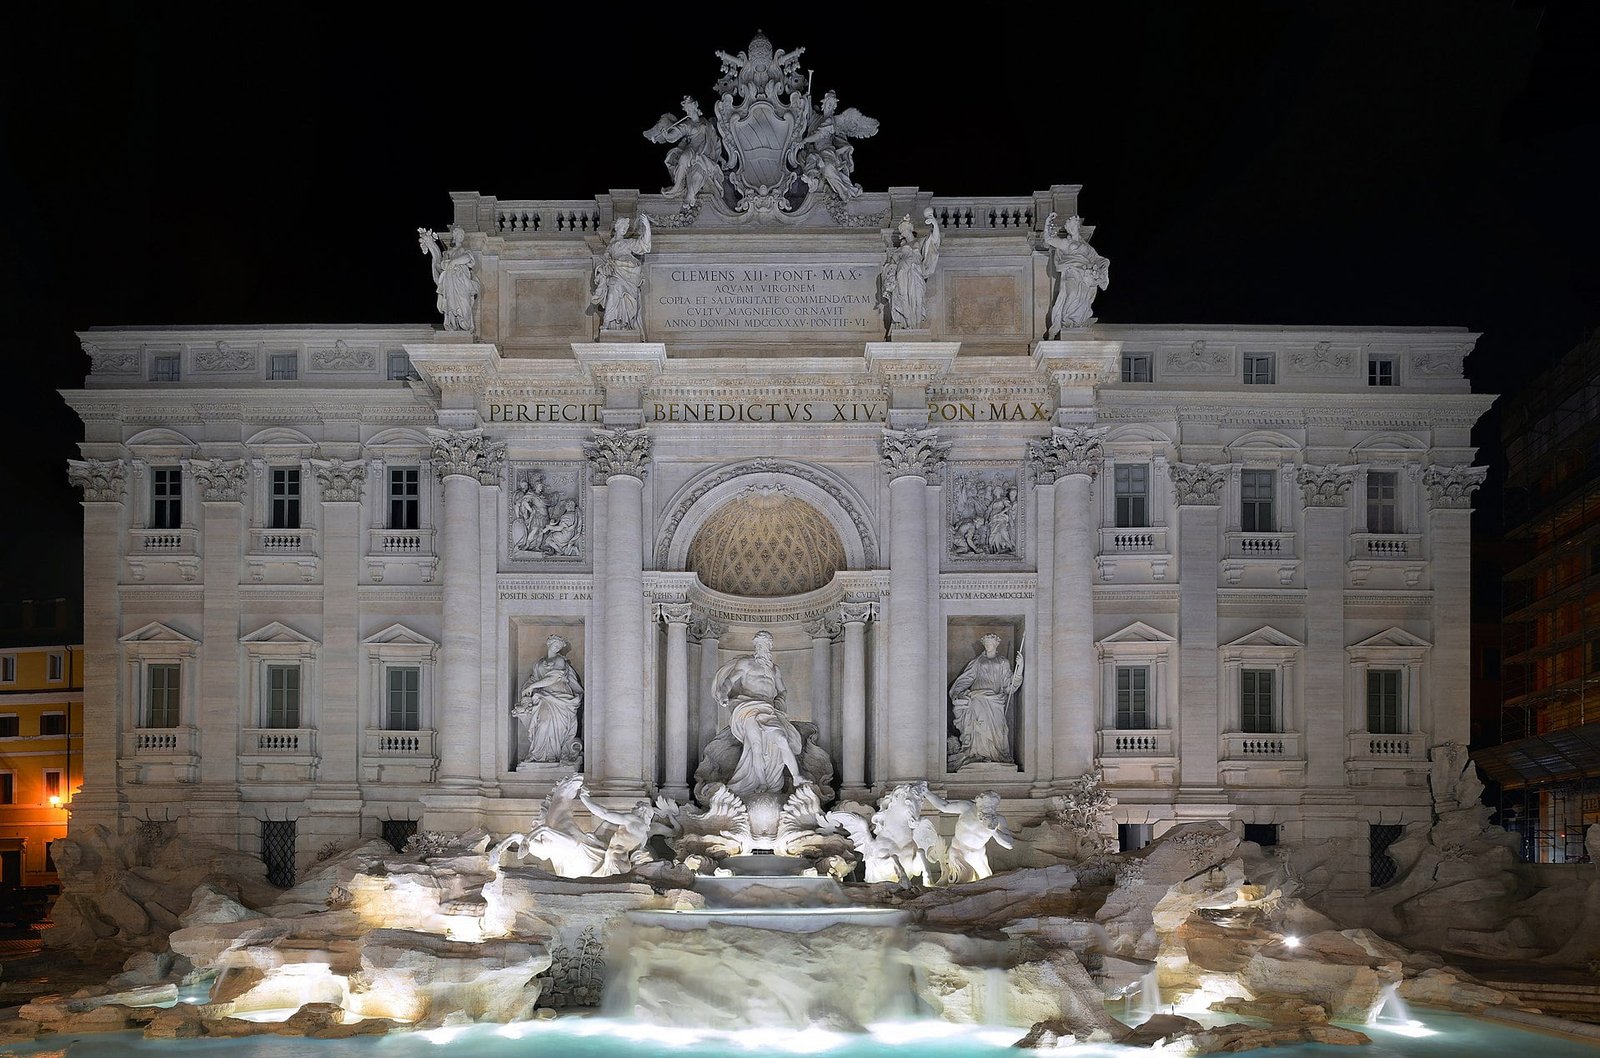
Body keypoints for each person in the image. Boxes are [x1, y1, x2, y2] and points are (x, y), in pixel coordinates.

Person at [711, 629, 804, 796]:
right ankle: (761, 782)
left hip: (768, 709)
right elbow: (729, 681)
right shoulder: (746, 664)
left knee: (782, 739)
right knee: (756, 745)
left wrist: (779, 702)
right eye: (760, 644)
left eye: (766, 644)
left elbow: (782, 690)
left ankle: (796, 777)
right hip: (747, 708)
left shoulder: (775, 669)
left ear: (770, 646)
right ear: (755, 645)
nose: (763, 647)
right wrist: (724, 694)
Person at [948, 634, 1024, 767]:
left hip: (995, 701)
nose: (988, 645)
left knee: (998, 730)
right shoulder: (978, 661)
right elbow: (966, 678)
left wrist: (1020, 668)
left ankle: (995, 755)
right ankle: (977, 754)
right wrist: (956, 692)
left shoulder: (1003, 662)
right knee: (978, 727)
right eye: (986, 643)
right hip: (977, 698)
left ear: (996, 644)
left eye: (991, 643)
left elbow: (1009, 686)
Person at [513, 635, 583, 764]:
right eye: (555, 645)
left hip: (560, 697)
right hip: (543, 697)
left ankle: (553, 756)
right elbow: (533, 679)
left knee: (556, 728)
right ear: (549, 644)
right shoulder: (539, 663)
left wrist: (532, 686)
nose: (557, 648)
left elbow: (554, 678)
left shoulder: (560, 661)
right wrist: (527, 690)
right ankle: (537, 755)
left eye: (559, 646)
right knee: (542, 724)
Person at [645, 97, 725, 208]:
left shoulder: (706, 123)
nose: (688, 111)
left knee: (697, 168)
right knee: (683, 157)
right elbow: (677, 132)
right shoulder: (687, 124)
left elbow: (714, 140)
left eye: (690, 107)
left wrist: (719, 156)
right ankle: (677, 186)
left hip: (704, 152)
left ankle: (690, 196)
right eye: (687, 109)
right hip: (692, 149)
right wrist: (666, 135)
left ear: (695, 105)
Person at [1041, 212, 1109, 337]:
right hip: (1072, 271)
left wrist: (1099, 269)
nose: (1071, 228)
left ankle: (1076, 323)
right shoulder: (1067, 243)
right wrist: (1048, 224)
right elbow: (1049, 239)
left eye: (1073, 225)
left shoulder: (1087, 247)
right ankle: (1067, 322)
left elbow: (1097, 259)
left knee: (1083, 299)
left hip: (1086, 276)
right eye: (1069, 226)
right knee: (1071, 294)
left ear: (1077, 226)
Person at [926, 790, 1014, 883]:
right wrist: (926, 792)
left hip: (977, 855)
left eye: (991, 808)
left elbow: (1009, 845)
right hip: (957, 851)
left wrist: (993, 831)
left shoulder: (998, 820)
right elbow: (943, 806)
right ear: (978, 802)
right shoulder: (967, 807)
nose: (987, 810)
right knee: (956, 883)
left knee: (987, 882)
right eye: (984, 807)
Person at [879, 209, 941, 331]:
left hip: (914, 272)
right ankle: (906, 323)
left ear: (910, 229)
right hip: (902, 272)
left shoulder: (920, 241)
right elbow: (891, 266)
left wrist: (934, 223)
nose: (904, 231)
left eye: (906, 229)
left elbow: (935, 240)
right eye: (902, 230)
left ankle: (915, 326)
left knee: (917, 298)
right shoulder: (898, 250)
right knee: (902, 296)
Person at [591, 215, 652, 331]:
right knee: (613, 293)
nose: (625, 228)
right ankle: (608, 322)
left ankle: (626, 323)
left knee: (627, 298)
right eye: (623, 225)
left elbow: (645, 246)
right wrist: (600, 269)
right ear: (617, 227)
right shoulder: (611, 246)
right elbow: (603, 260)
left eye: (627, 226)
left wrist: (647, 227)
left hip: (630, 274)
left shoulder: (628, 243)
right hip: (616, 273)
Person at [417, 225, 480, 332]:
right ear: (455, 237)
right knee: (450, 303)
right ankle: (453, 324)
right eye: (459, 235)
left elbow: (468, 258)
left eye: (462, 235)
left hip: (461, 282)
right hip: (449, 281)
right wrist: (431, 246)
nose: (461, 237)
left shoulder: (465, 251)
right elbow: (439, 265)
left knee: (464, 303)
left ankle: (464, 324)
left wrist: (453, 262)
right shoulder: (448, 253)